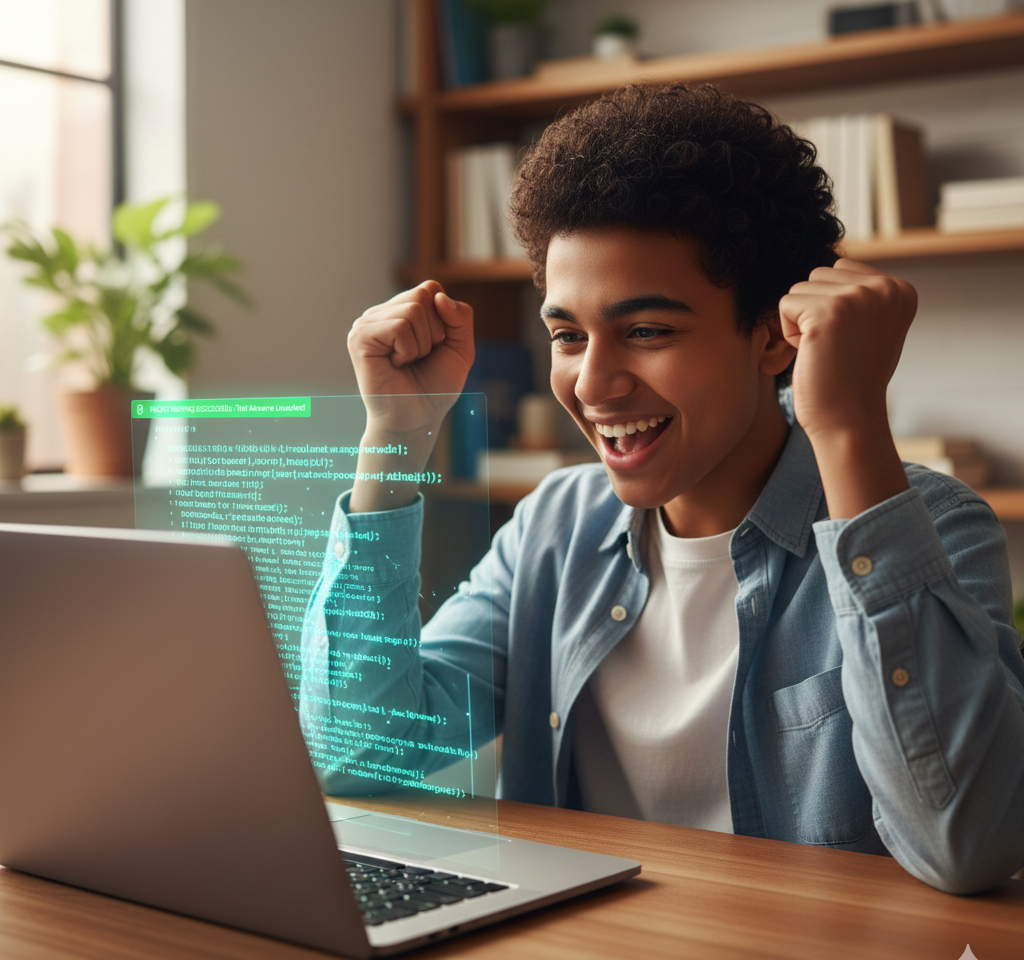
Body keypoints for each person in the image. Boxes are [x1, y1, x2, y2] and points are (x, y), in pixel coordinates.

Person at [301, 83, 1024, 893]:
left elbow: (967, 844)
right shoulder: (554, 527)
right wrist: (394, 438)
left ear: (773, 338)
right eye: (568, 335)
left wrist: (852, 425)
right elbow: (358, 753)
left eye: (647, 331)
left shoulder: (930, 525)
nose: (593, 384)